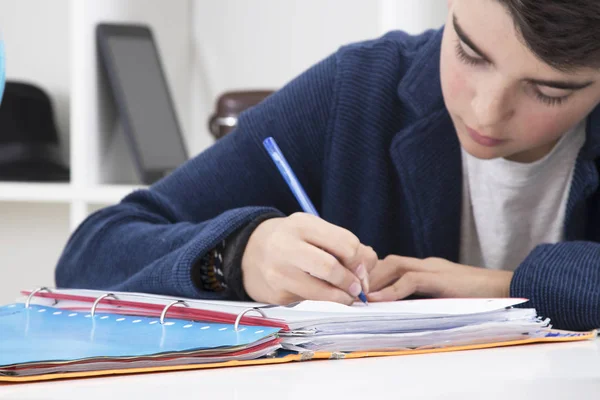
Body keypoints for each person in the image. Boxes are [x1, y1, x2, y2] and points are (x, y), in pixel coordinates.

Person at [55, 0, 600, 332]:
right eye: (469, 53)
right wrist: (239, 255)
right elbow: (90, 254)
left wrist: (511, 287)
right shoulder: (357, 91)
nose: (486, 110)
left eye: (549, 91)